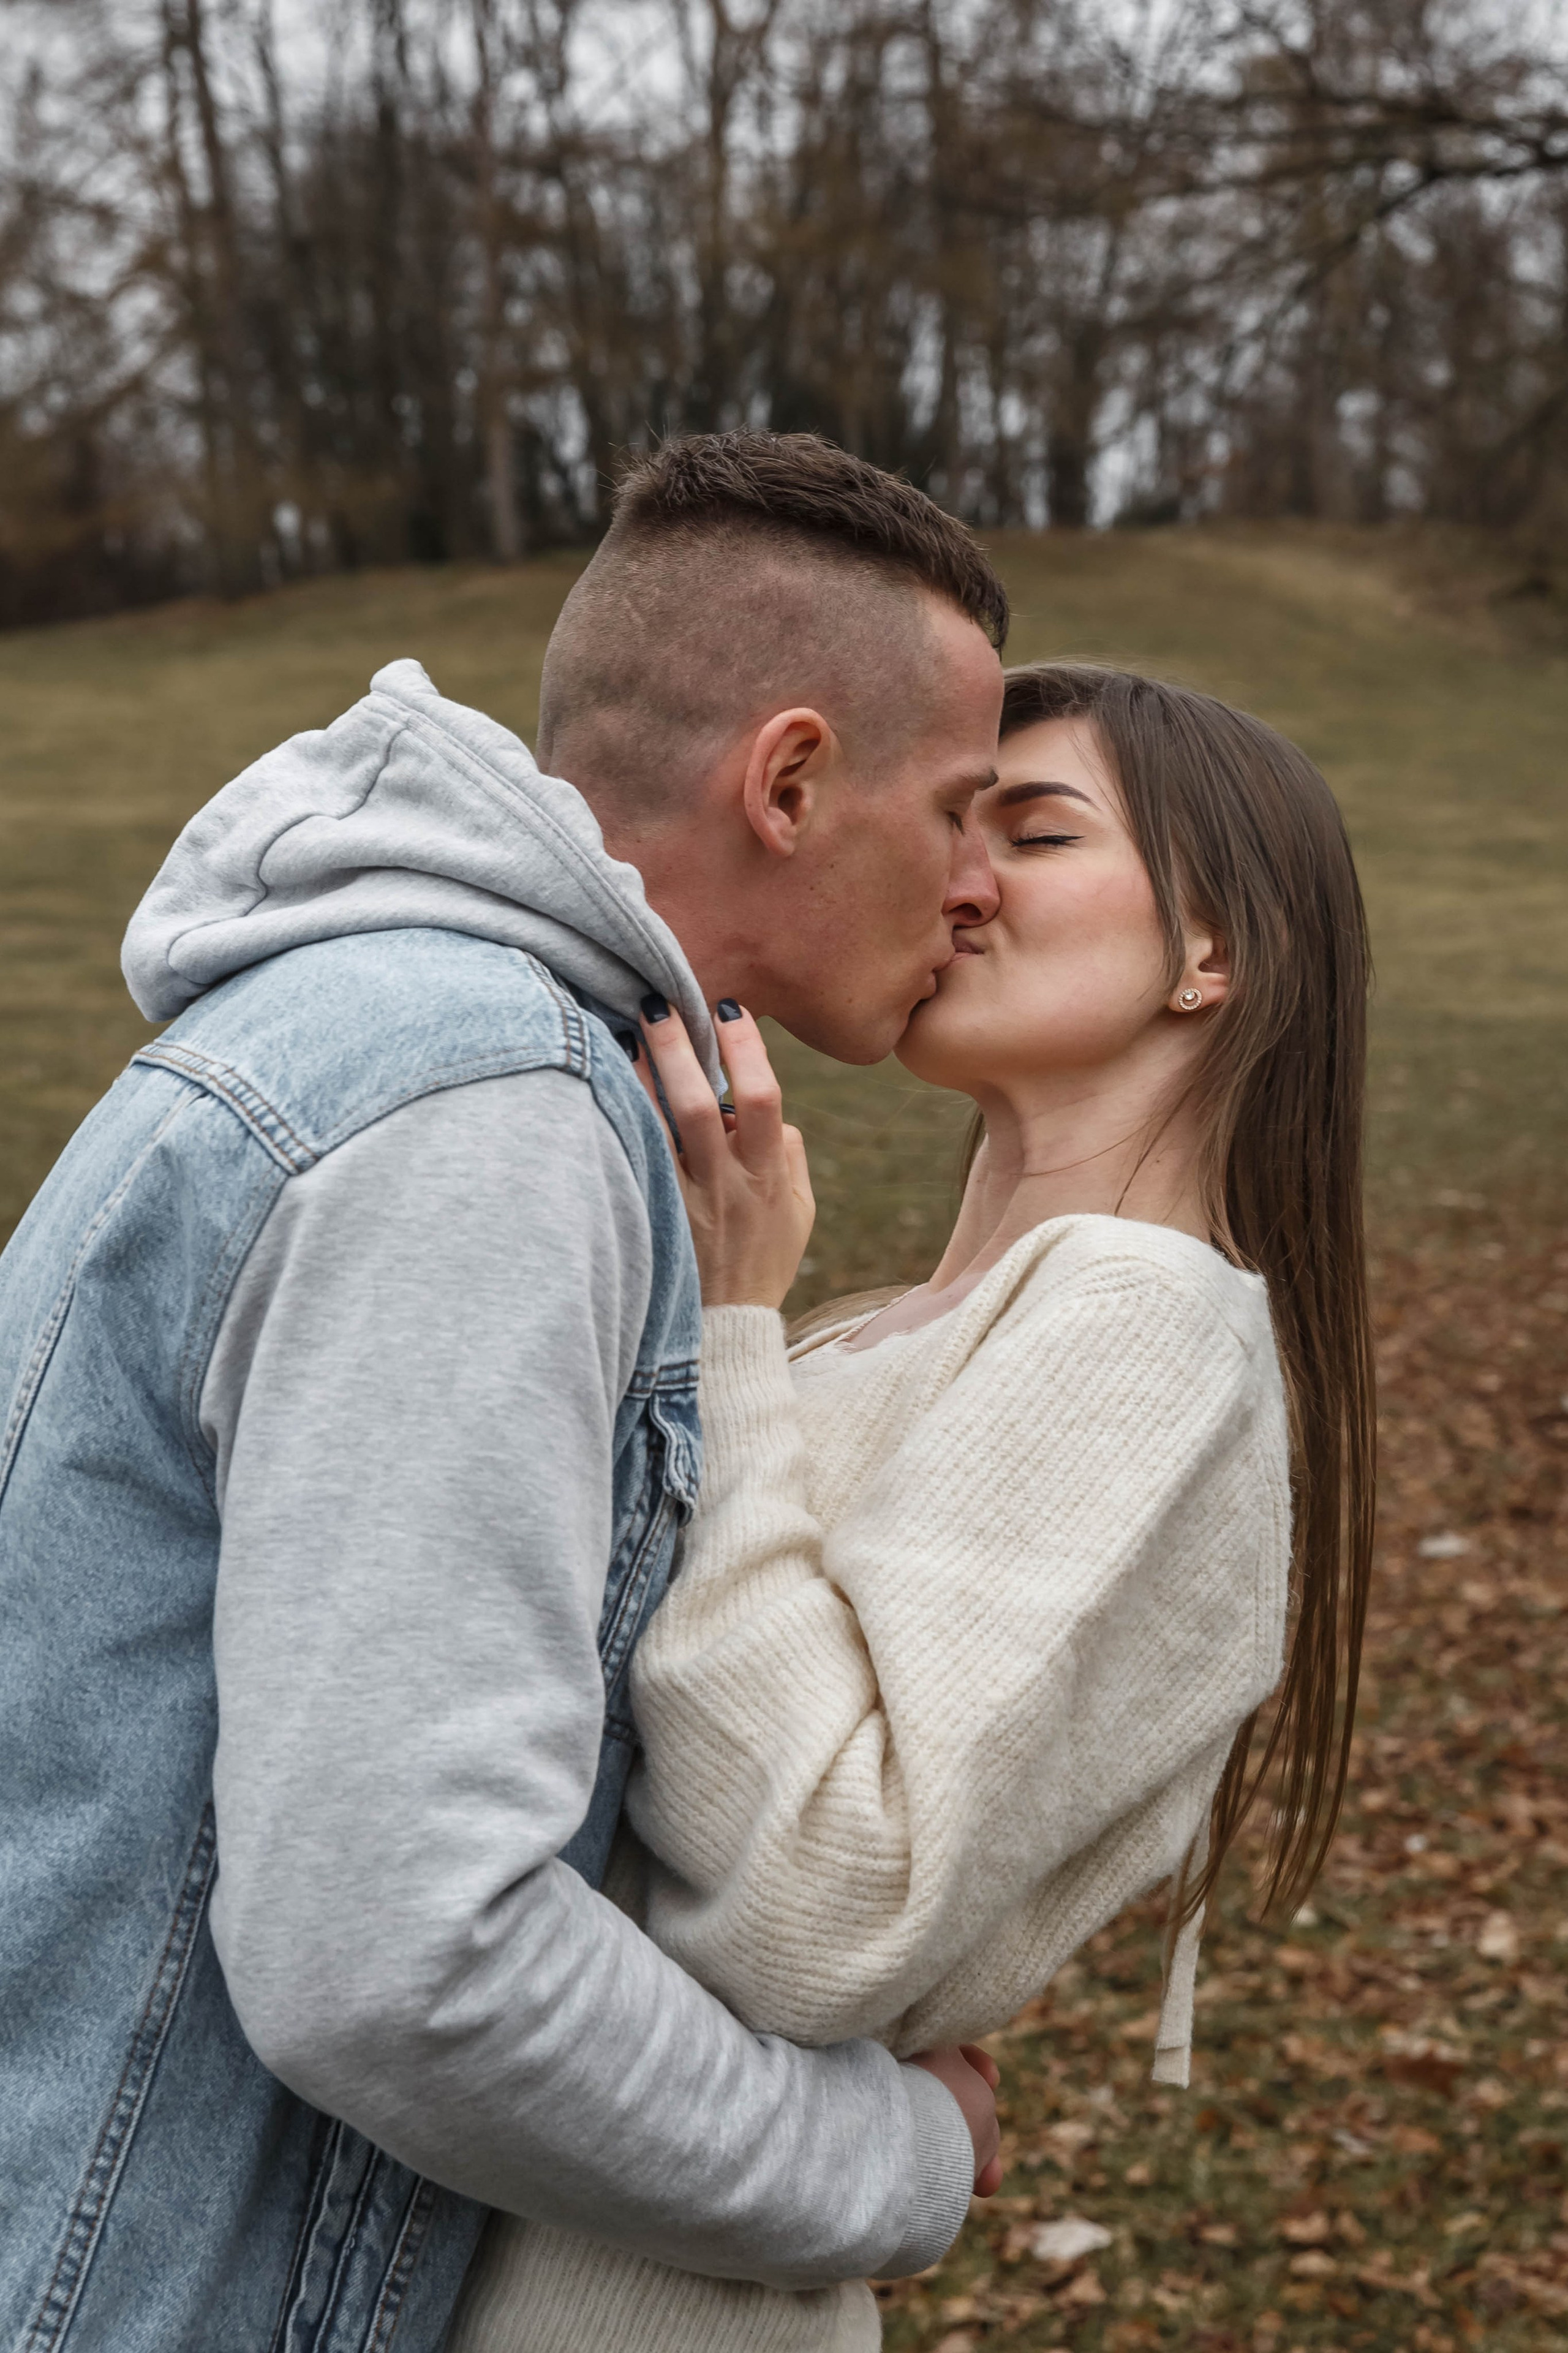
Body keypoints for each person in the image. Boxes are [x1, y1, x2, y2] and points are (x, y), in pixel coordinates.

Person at [0, 434, 1011, 2352]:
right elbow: (399, 1951)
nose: (977, 883)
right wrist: (891, 2160)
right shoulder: (486, 1116)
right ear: (791, 780)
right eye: (962, 806)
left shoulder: (362, 1025)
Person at [450, 662, 1376, 2351]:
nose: (966, 878)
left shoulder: (1142, 1321)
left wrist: (725, 1327)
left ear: (1211, 950)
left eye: (1033, 829)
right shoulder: (869, 1329)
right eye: (959, 822)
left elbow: (827, 1902)